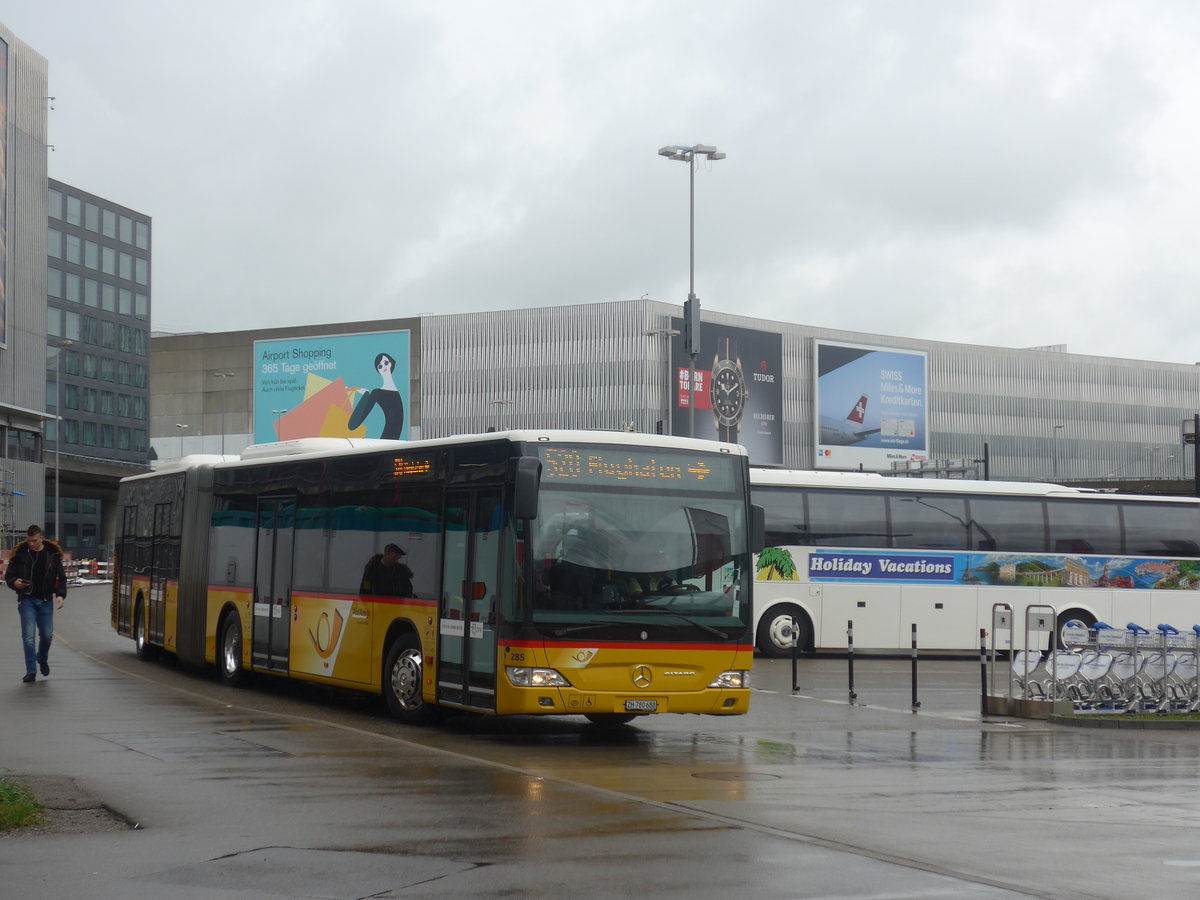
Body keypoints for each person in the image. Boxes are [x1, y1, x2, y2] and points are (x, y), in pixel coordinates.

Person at [5, 525, 67, 683]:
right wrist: (15, 582)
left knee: (47, 636)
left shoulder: (52, 554)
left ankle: (42, 658)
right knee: (29, 637)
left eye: (34, 541)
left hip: (46, 600)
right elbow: (9, 576)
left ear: (42, 539)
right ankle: (31, 671)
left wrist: (60, 595)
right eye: (28, 540)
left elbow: (61, 577)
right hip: (27, 600)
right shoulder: (20, 554)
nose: (31, 544)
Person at [348, 352, 405, 439]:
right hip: (387, 444)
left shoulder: (382, 393)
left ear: (390, 363)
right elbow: (352, 425)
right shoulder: (377, 393)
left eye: (385, 363)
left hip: (392, 444)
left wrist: (366, 394)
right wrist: (366, 395)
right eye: (380, 366)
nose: (384, 367)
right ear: (378, 370)